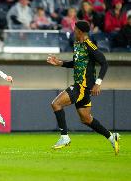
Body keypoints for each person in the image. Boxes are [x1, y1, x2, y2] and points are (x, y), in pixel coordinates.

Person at [46, 20, 120, 155]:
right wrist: (60, 63)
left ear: (80, 31)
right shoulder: (77, 44)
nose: (73, 31)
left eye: (75, 29)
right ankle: (111, 137)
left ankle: (64, 137)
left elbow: (104, 63)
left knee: (56, 104)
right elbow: (76, 63)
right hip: (82, 86)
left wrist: (98, 83)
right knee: (86, 118)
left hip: (82, 86)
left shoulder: (89, 45)